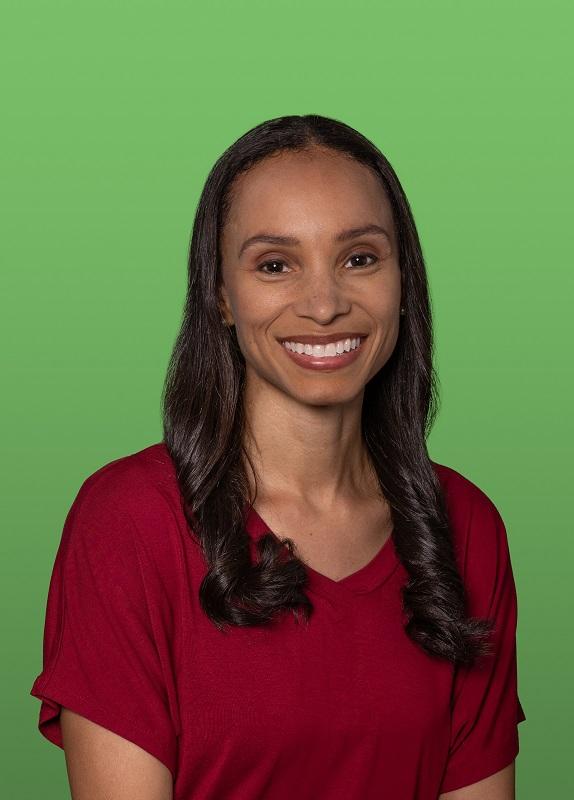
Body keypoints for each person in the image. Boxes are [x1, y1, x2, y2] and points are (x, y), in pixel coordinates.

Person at [29, 114, 526, 799]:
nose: (324, 304)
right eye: (274, 264)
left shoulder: (467, 527)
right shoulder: (129, 524)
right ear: (221, 296)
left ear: (403, 281)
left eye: (360, 258)